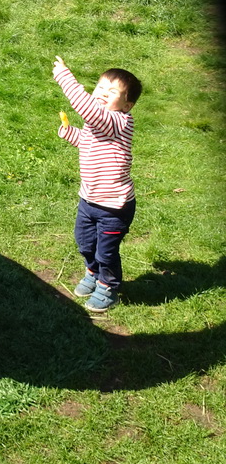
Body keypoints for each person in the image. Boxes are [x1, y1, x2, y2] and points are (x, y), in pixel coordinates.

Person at [52, 56, 142, 312]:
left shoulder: (117, 121)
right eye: (100, 87)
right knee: (84, 242)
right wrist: (72, 134)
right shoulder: (99, 125)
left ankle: (108, 286)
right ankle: (93, 272)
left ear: (127, 105)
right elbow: (91, 143)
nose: (102, 93)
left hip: (114, 206)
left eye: (112, 91)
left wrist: (64, 77)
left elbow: (88, 109)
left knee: (107, 251)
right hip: (89, 199)